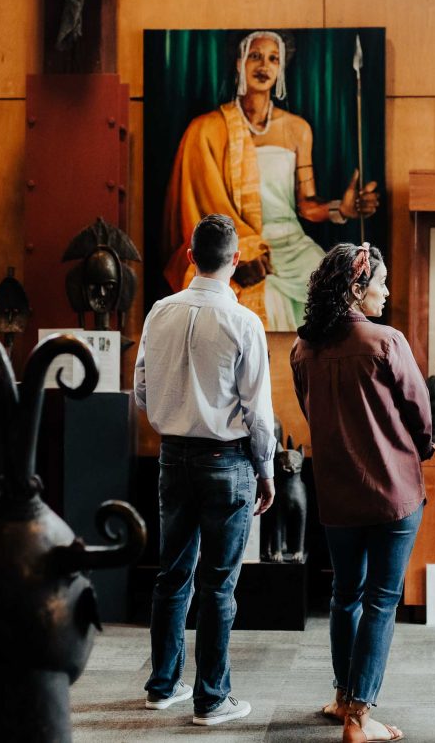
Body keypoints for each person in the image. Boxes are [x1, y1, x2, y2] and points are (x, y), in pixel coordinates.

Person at [134, 214, 277, 726]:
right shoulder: (244, 323)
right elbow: (258, 411)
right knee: (218, 585)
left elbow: (142, 391)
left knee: (172, 576)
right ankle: (212, 699)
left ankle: (162, 686)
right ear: (236, 261)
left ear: (191, 256)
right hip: (227, 461)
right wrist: (267, 470)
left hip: (172, 456)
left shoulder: (158, 312)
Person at [290, 243, 434, 743]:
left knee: (344, 595)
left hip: (336, 493)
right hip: (393, 493)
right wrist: (421, 449)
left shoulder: (302, 347)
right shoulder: (386, 341)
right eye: (381, 283)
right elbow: (420, 412)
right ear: (357, 288)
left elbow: (309, 411)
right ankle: (358, 719)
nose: (387, 291)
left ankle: (341, 697)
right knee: (381, 601)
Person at [163, 30, 379, 330]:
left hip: (293, 244)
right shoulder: (207, 130)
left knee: (332, 293)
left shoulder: (297, 128)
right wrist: (236, 256)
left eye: (273, 58)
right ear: (239, 63)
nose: (264, 65)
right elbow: (198, 211)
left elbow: (306, 205)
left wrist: (341, 210)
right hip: (242, 246)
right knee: (267, 298)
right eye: (255, 56)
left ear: (281, 68)